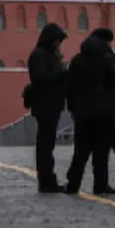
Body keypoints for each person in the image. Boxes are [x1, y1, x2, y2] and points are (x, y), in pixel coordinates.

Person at [63, 28, 115, 196]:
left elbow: (70, 87)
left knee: (81, 149)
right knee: (101, 149)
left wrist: (72, 108)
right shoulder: (108, 59)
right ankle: (100, 185)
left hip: (82, 111)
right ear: (106, 41)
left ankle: (73, 184)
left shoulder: (77, 60)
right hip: (104, 111)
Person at [26, 22, 68, 193]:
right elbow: (40, 78)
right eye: (57, 41)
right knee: (45, 144)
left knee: (47, 144)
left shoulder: (48, 56)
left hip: (52, 104)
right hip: (45, 105)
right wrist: (61, 73)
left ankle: (48, 178)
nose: (59, 45)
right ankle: (46, 180)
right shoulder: (38, 56)